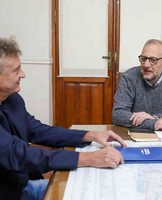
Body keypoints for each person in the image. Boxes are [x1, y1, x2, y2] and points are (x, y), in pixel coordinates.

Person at [0, 37, 126, 200]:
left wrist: (90, 135)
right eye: (16, 70)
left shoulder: (13, 100)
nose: (23, 74)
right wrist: (90, 158)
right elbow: (21, 154)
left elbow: (40, 131)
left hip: (25, 186)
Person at [112, 39, 162, 131]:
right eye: (143, 59)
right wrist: (153, 123)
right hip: (137, 135)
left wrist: (155, 117)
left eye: (153, 60)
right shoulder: (129, 77)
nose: (146, 65)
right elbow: (118, 114)